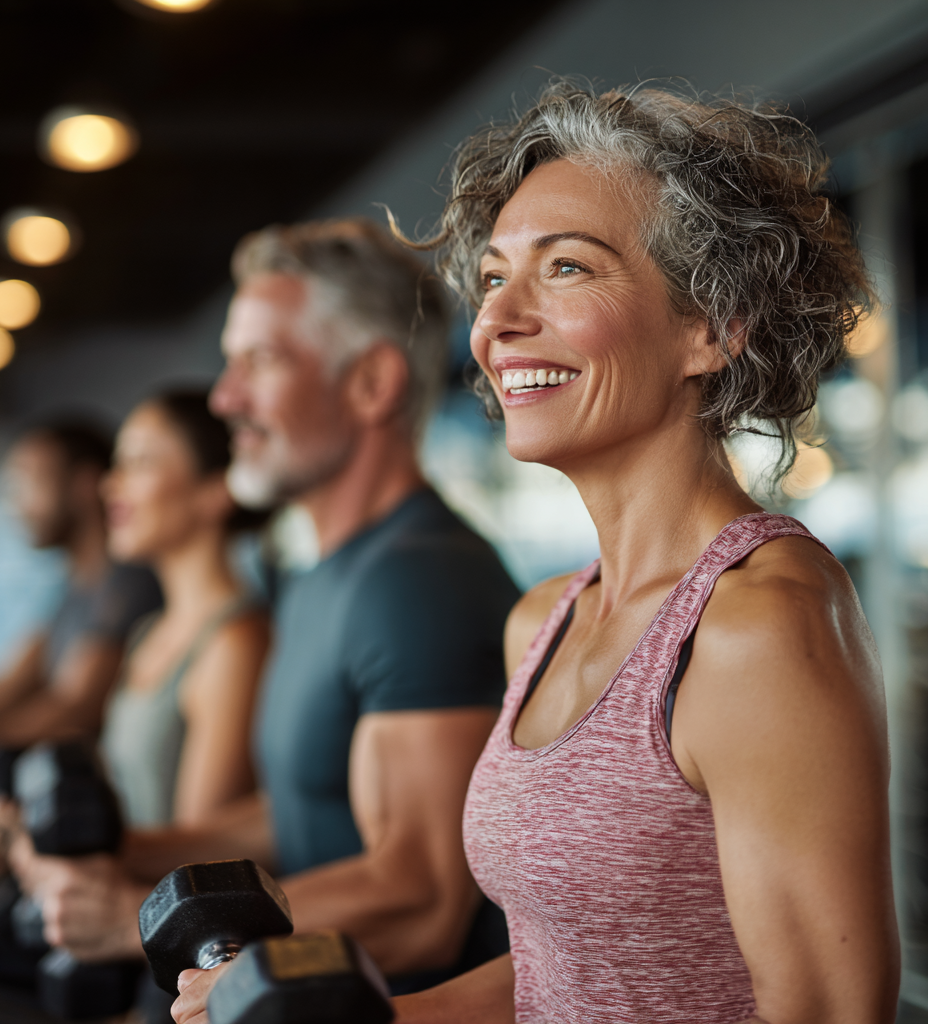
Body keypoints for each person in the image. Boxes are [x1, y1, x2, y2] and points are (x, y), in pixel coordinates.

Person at [370, 81, 899, 1023]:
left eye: (567, 269)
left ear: (711, 327)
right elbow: (569, 972)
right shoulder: (545, 622)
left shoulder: (753, 624)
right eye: (495, 278)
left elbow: (827, 1011)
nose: (497, 323)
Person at [28, 219, 520, 1004]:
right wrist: (129, 857)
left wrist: (134, 922)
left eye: (259, 361)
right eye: (230, 365)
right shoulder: (319, 573)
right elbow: (301, 806)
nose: (225, 398)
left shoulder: (420, 581)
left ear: (370, 383)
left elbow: (422, 895)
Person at [9, 391, 271, 1022]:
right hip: (119, 953)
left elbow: (197, 877)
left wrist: (85, 870)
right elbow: (116, 805)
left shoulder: (234, 640)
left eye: (141, 461)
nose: (109, 484)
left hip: (173, 978)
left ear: (215, 491)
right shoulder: (148, 632)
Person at [0, 421, 162, 858]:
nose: (17, 503)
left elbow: (71, 708)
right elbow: (4, 685)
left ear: (83, 484)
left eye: (31, 481)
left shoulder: (126, 583)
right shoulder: (76, 588)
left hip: (117, 828)